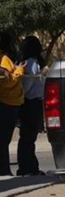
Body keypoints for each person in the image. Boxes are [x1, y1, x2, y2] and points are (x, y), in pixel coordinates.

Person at [17, 36, 45, 176]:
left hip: (32, 103)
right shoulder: (30, 63)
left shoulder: (32, 63)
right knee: (28, 137)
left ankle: (31, 167)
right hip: (31, 103)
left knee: (29, 137)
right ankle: (26, 168)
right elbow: (27, 87)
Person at [0, 33, 25, 177]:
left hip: (8, 103)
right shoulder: (4, 60)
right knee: (4, 139)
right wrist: (19, 70)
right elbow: (8, 82)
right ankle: (4, 169)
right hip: (8, 103)